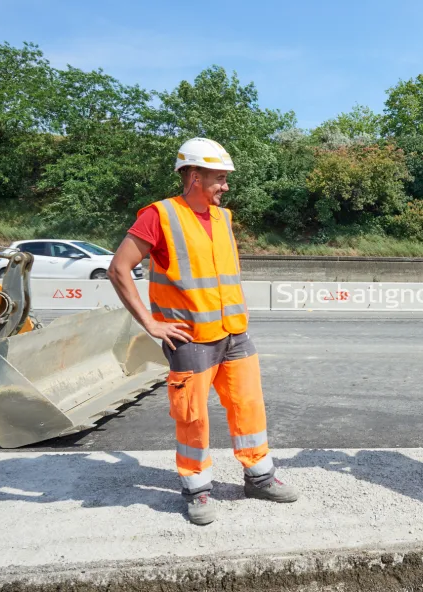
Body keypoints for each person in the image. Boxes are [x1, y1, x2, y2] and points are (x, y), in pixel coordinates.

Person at [108, 137, 298, 526]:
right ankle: (196, 488)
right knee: (192, 416)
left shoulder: (222, 218)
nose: (225, 186)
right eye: (219, 178)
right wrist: (150, 323)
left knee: (249, 407)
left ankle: (259, 477)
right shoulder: (158, 216)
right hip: (190, 338)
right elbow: (118, 268)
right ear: (194, 176)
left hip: (235, 334)